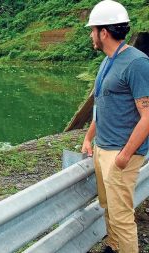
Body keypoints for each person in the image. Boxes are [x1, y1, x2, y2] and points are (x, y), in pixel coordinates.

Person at [81, 1, 149, 253]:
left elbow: (148, 116)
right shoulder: (108, 61)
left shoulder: (136, 63)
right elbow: (102, 105)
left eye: (93, 30)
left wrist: (123, 157)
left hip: (121, 153)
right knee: (109, 206)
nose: (91, 35)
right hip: (103, 148)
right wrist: (89, 138)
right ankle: (113, 246)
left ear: (104, 33)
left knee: (122, 217)